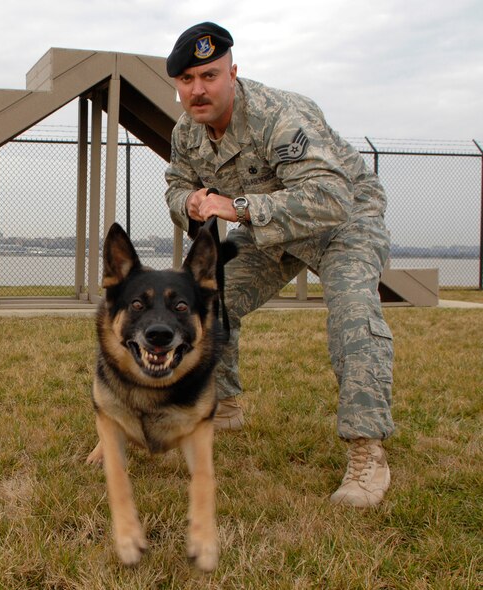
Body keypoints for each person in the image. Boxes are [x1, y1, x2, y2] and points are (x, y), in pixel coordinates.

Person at [164, 22, 394, 508]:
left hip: (342, 223)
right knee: (207, 298)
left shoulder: (279, 115)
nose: (198, 89)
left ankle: (366, 452)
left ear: (233, 73)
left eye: (209, 75)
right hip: (273, 231)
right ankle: (224, 405)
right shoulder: (187, 131)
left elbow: (331, 197)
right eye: (187, 80)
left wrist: (237, 207)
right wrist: (191, 202)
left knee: (354, 314)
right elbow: (176, 184)